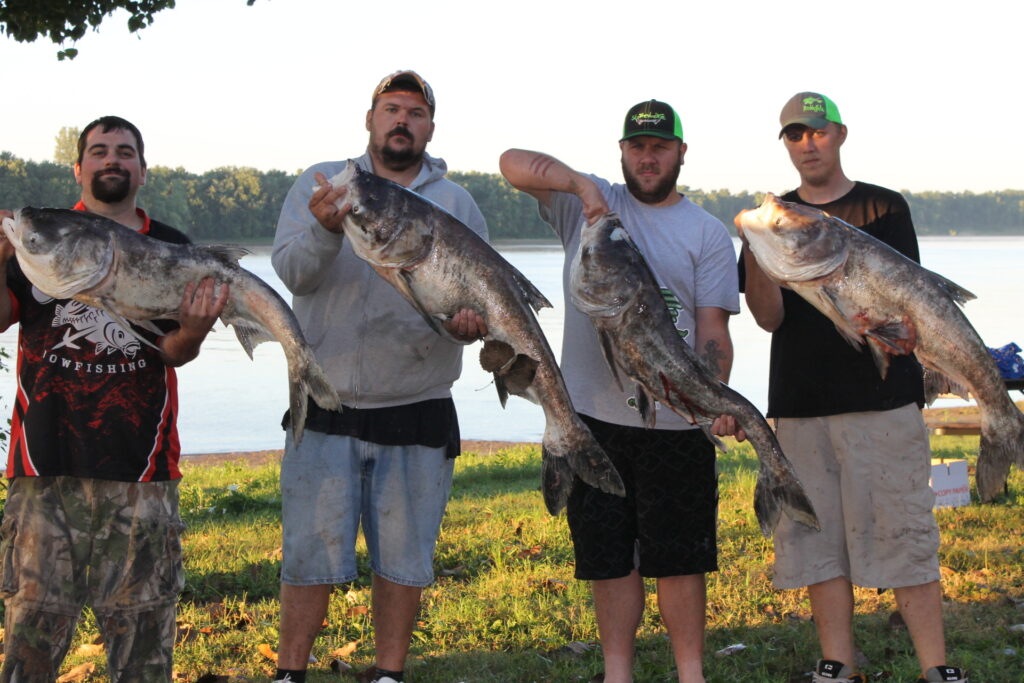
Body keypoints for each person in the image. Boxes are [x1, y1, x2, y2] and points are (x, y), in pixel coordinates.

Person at [500, 100, 741, 683]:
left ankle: (691, 674)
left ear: (681, 153)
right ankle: (617, 674)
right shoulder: (588, 208)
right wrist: (582, 186)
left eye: (660, 147)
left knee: (680, 562)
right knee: (608, 561)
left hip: (678, 421)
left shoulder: (707, 232)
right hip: (592, 420)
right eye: (637, 146)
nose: (648, 157)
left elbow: (713, 330)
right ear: (623, 152)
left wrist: (714, 398)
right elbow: (511, 163)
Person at [738, 92, 968, 683]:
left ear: (839, 135)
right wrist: (758, 254)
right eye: (794, 134)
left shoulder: (883, 207)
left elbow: (912, 301)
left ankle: (936, 667)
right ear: (785, 144)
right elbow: (768, 318)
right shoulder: (773, 222)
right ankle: (837, 665)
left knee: (904, 534)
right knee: (817, 543)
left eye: (817, 132)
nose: (807, 144)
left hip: (882, 405)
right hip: (800, 405)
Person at [270, 70, 488, 683]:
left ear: (430, 128)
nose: (402, 121)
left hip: (418, 405)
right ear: (369, 120)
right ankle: (290, 672)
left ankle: (389, 673)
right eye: (391, 109)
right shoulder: (322, 184)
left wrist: (465, 326)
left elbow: (468, 308)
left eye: (415, 113)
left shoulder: (457, 204)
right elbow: (292, 272)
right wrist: (323, 229)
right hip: (325, 402)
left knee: (404, 558)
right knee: (307, 554)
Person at [0, 116, 227, 681]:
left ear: (142, 171)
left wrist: (195, 331)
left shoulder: (171, 246)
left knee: (143, 645)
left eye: (125, 152)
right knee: (30, 637)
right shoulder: (42, 235)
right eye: (99, 151)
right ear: (78, 168)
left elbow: (173, 352)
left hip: (141, 472)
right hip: (43, 469)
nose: (112, 160)